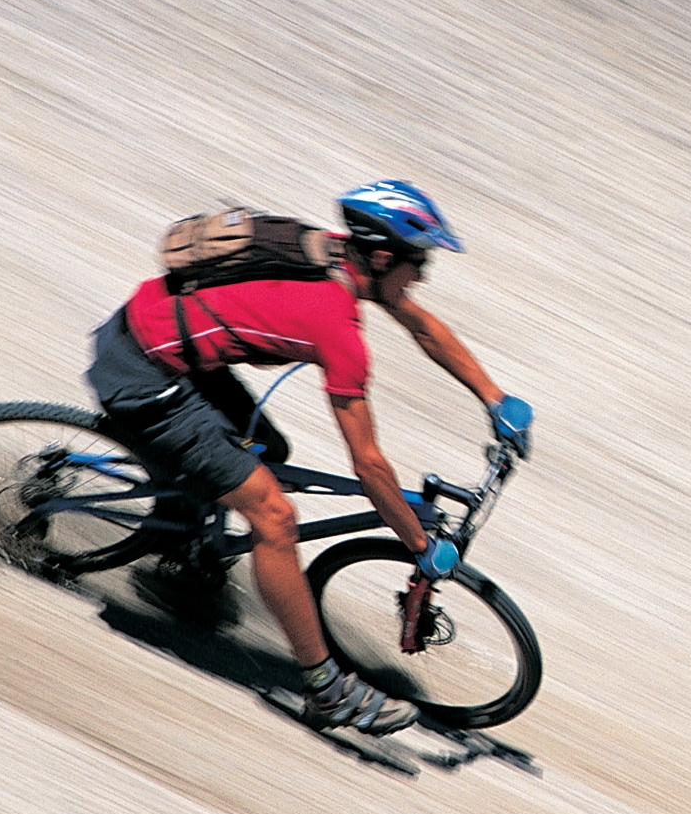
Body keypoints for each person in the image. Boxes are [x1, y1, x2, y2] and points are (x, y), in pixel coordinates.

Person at [86, 180, 532, 735]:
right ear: (385, 256)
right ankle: (326, 688)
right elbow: (368, 465)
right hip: (144, 377)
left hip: (153, 336)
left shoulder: (328, 252)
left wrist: (495, 397)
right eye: (420, 264)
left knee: (269, 454)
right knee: (274, 518)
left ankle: (186, 549)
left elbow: (420, 325)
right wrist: (420, 546)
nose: (423, 277)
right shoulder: (336, 325)